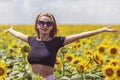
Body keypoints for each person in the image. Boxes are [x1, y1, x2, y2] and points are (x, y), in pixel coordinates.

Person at [4, 12, 118, 80]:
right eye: (42, 23)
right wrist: (10, 30)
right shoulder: (32, 40)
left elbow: (79, 36)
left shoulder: (57, 41)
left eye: (49, 23)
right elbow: (19, 35)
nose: (45, 25)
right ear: (37, 25)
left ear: (52, 27)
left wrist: (101, 30)